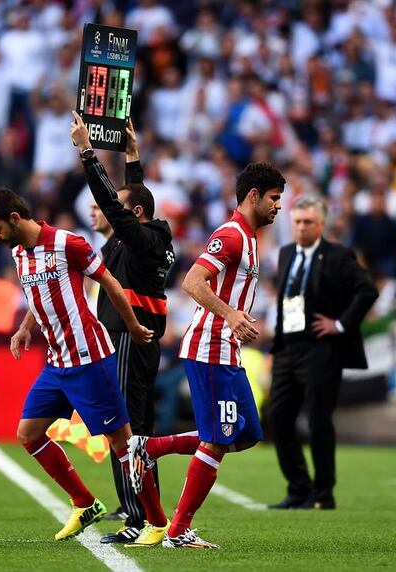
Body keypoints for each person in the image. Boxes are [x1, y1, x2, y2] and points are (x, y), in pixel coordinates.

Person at [0, 189, 171, 545]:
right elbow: (37, 298)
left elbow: (110, 282)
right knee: (29, 433)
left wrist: (131, 324)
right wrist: (25, 328)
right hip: (56, 364)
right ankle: (84, 503)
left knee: (123, 445)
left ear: (15, 219)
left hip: (89, 360)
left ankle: (157, 522)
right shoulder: (20, 254)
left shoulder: (68, 243)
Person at [128, 163, 286, 549]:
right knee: (217, 441)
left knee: (246, 432)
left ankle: (150, 448)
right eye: (274, 198)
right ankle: (178, 531)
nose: (278, 206)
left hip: (226, 350)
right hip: (209, 347)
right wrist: (231, 315)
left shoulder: (250, 239)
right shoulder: (231, 236)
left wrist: (241, 318)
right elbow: (192, 281)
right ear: (253, 196)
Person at [70, 112, 175, 545]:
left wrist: (87, 154)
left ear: (135, 215)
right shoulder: (139, 238)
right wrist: (132, 157)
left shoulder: (142, 239)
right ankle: (142, 509)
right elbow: (134, 199)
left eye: (105, 208)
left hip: (130, 339)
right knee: (136, 428)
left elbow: (122, 205)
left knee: (125, 424)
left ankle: (137, 516)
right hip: (131, 338)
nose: (99, 211)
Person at [267, 195, 378, 510]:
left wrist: (340, 324)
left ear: (321, 224)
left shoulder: (339, 255)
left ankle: (323, 493)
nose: (301, 228)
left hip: (320, 348)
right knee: (279, 419)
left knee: (318, 420)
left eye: (308, 223)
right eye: (297, 222)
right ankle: (298, 488)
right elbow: (285, 301)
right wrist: (276, 345)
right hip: (288, 347)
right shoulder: (287, 253)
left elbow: (368, 290)